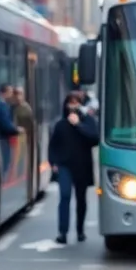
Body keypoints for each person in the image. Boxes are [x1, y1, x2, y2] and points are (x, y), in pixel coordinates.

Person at [47, 91, 100, 244]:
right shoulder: (60, 124)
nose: (73, 105)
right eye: (70, 102)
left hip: (82, 167)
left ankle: (80, 230)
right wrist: (53, 163)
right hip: (64, 166)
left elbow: (94, 139)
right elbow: (53, 145)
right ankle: (62, 232)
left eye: (76, 102)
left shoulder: (88, 121)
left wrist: (78, 125)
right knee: (64, 196)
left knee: (81, 199)